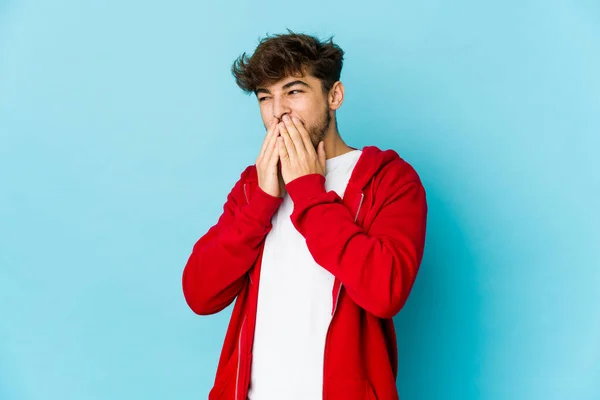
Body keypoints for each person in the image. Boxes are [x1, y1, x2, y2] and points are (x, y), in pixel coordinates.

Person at [182, 30, 428, 400]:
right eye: (266, 97)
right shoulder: (255, 185)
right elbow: (200, 294)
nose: (278, 110)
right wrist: (262, 203)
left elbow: (385, 291)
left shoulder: (389, 180)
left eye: (294, 91)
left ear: (334, 96)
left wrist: (308, 192)